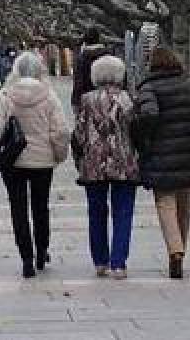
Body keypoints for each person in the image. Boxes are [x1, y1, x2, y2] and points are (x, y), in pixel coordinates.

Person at [0, 51, 69, 279]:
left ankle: (27, 259)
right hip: (42, 162)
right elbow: (60, 131)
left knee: (18, 209)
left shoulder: (5, 95)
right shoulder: (49, 97)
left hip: (13, 161)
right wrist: (59, 155)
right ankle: (42, 251)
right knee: (41, 207)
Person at [134, 46, 190, 279]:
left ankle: (174, 249)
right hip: (188, 154)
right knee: (184, 208)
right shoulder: (188, 86)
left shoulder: (148, 87)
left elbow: (149, 115)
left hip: (161, 155)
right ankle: (180, 251)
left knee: (166, 204)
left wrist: (143, 136)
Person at [73, 55, 139, 279]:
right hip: (124, 163)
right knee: (123, 212)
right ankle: (119, 262)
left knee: (96, 212)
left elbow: (80, 134)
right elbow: (135, 130)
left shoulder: (85, 100)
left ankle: (100, 260)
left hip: (94, 164)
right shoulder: (127, 99)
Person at [71, 27, 108, 109]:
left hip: (87, 98)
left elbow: (79, 81)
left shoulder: (83, 58)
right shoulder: (108, 55)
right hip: (107, 98)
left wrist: (75, 101)